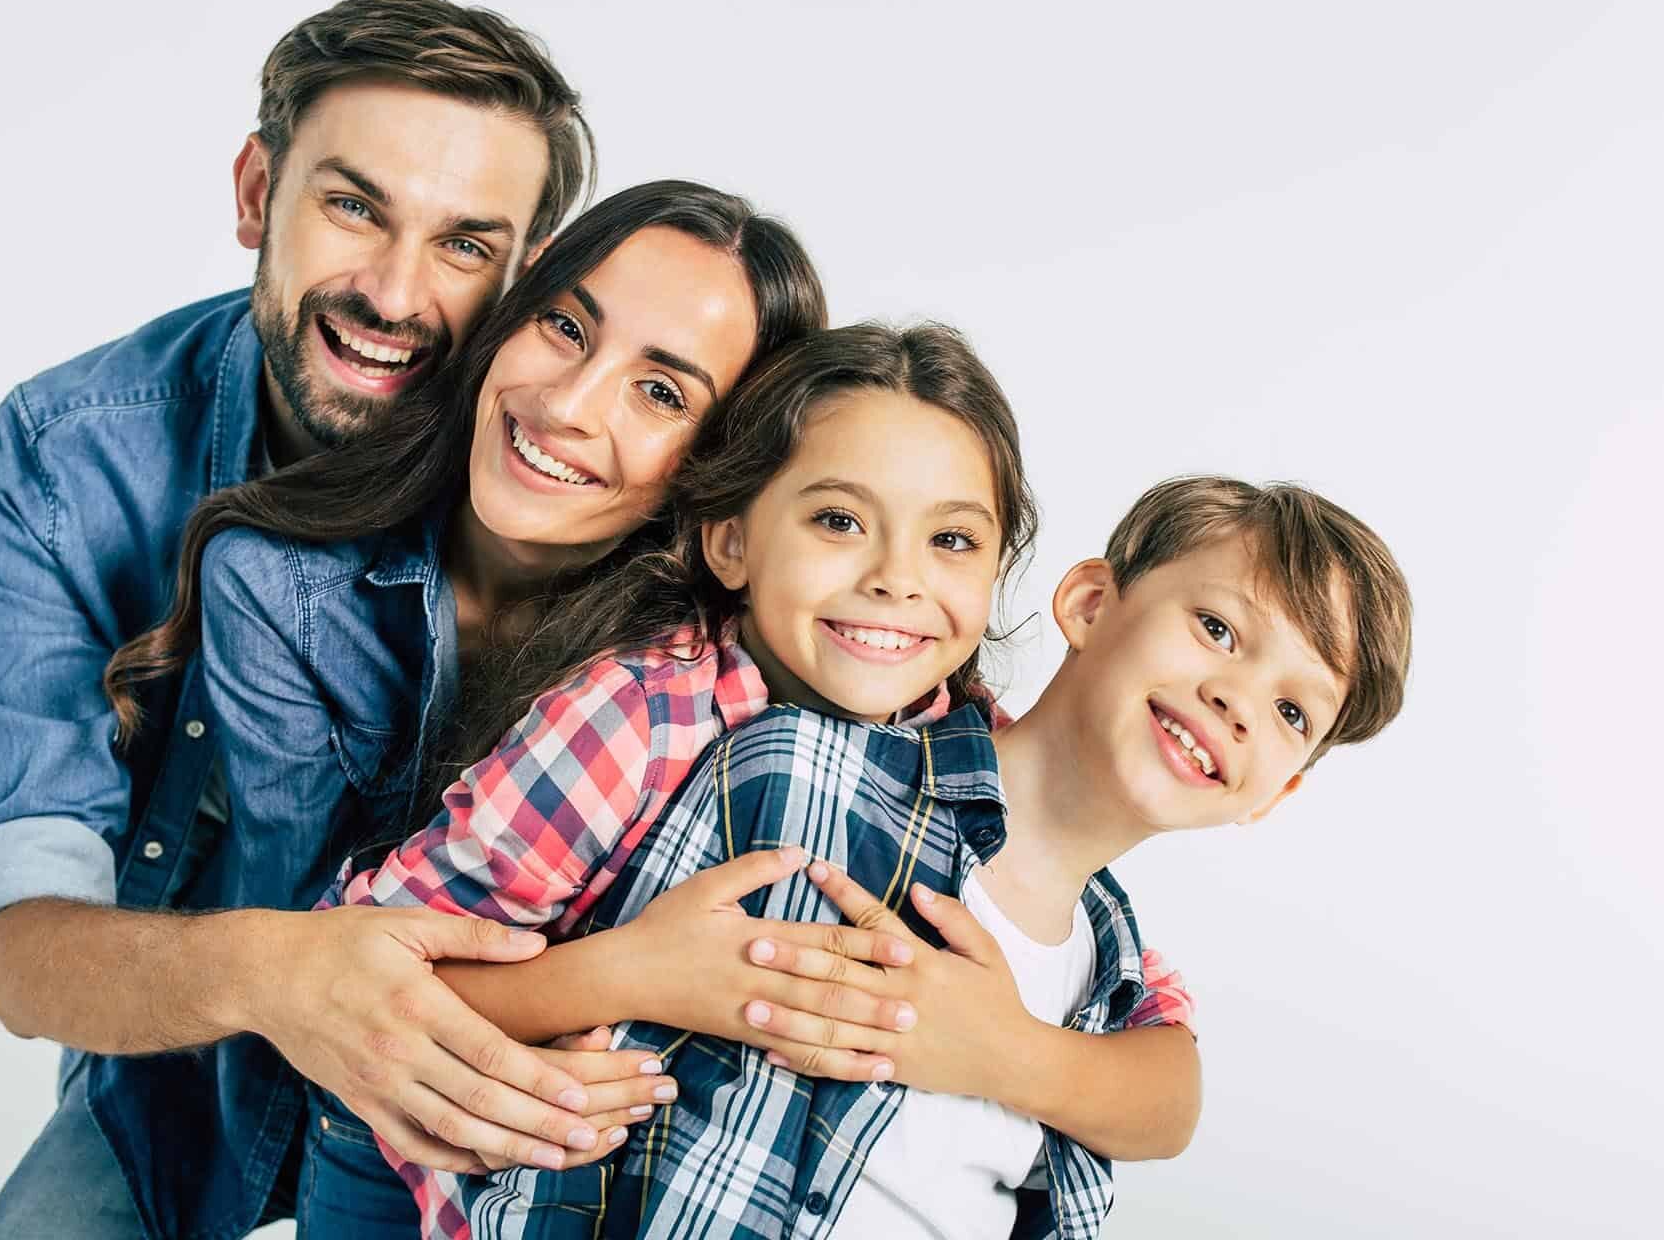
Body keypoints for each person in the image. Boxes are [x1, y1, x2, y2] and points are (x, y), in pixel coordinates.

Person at [105, 179, 929, 1237]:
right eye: (566, 325)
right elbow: (333, 974)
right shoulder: (280, 589)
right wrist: (618, 977)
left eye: (662, 393)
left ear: (729, 470)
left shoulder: (723, 655)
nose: (571, 404)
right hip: (275, 1084)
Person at [327, 325, 1233, 1236]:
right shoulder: (643, 717)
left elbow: (1165, 1083)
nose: (895, 580)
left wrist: (1008, 1053)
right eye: (839, 521)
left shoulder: (971, 753)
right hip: (405, 1168)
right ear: (732, 543)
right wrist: (624, 975)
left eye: (951, 539)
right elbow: (367, 984)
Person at [0, 0, 598, 1239]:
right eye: (354, 206)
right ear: (257, 192)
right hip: (179, 1075)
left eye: (465, 245)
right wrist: (285, 976)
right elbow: (20, 938)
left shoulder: (569, 474)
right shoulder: (66, 460)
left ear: (522, 277)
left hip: (493, 1094)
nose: (396, 295)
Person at [401, 473, 1413, 1238]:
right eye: (1216, 626)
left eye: (1291, 708)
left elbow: (1169, 1106)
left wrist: (1005, 1051)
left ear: (1277, 793)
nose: (1238, 698)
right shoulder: (800, 774)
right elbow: (531, 1075)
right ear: (1091, 604)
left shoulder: (1111, 980)